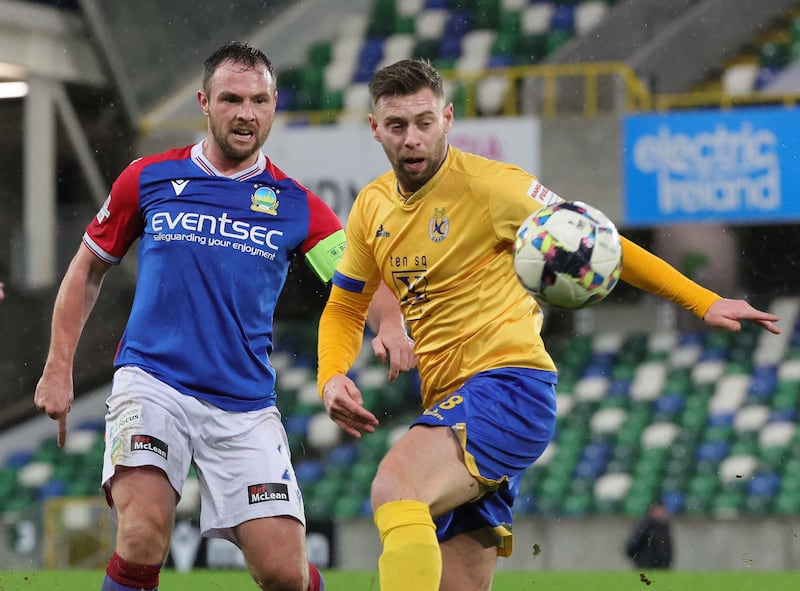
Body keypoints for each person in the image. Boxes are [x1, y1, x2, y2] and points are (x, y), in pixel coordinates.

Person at [315, 59, 781, 591]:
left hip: (508, 387)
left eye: (425, 122)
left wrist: (702, 302)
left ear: (447, 118)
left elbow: (595, 241)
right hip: (449, 400)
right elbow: (345, 306)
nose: (413, 138)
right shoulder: (370, 207)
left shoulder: (494, 187)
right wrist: (331, 375)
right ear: (375, 128)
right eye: (397, 126)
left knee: (395, 487)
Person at [33, 42, 414, 591]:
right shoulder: (149, 178)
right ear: (204, 102)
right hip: (152, 382)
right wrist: (57, 366)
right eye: (232, 99)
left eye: (259, 100)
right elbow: (86, 271)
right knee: (142, 532)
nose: (246, 113)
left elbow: (358, 280)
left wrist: (392, 326)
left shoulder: (295, 204)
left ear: (274, 105)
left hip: (243, 404)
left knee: (284, 572)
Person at [625, 502, 673, 569]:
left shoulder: (664, 526)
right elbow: (631, 544)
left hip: (662, 568)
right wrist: (639, 560)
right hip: (645, 566)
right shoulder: (644, 525)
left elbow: (667, 548)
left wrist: (667, 562)